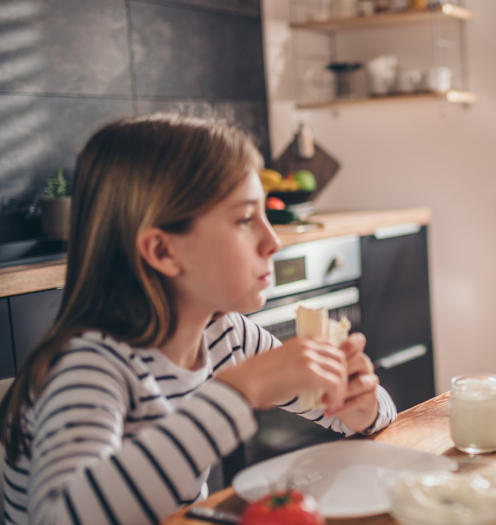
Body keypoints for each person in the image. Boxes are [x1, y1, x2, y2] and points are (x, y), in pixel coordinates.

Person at [0, 114, 397, 524]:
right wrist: (242, 390)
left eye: (266, 213)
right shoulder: (87, 367)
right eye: (245, 219)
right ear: (163, 251)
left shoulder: (227, 336)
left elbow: (370, 416)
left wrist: (361, 405)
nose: (273, 241)